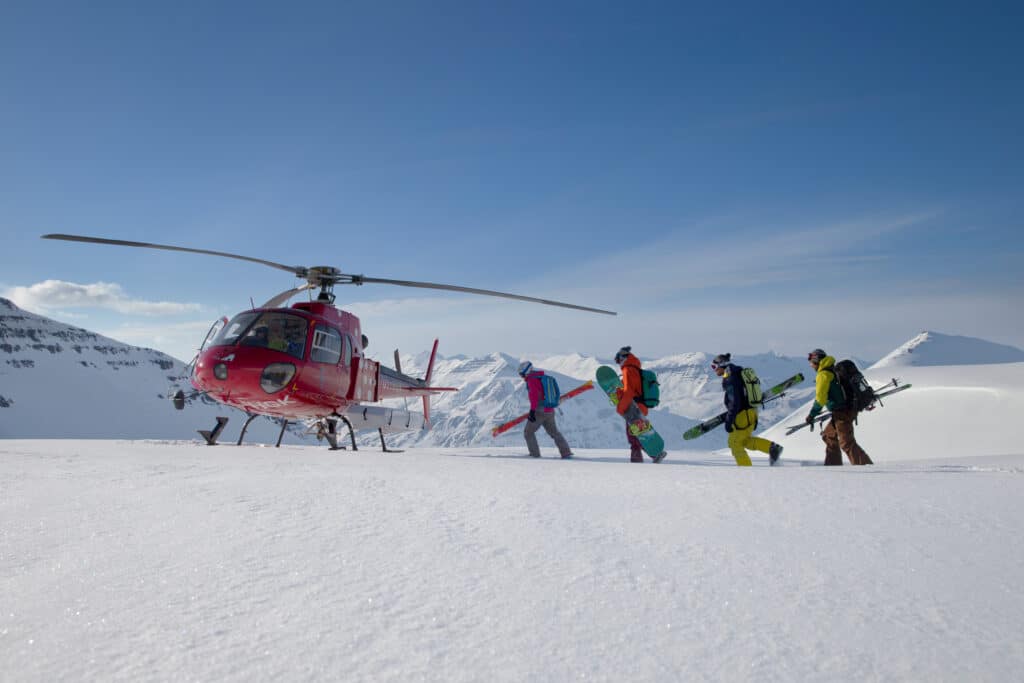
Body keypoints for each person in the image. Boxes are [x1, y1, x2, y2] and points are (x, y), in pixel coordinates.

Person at [711, 353, 784, 467]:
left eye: (714, 367)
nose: (714, 370)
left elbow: (734, 402)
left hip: (741, 415)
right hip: (752, 412)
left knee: (734, 443)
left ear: (722, 365)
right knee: (744, 440)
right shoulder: (739, 373)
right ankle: (772, 448)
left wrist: (729, 420)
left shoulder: (731, 378)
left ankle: (746, 472)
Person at [805, 348, 873, 466]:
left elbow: (820, 399)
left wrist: (812, 415)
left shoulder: (823, 375)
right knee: (829, 436)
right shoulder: (831, 369)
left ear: (816, 361)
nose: (810, 365)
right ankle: (832, 467)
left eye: (811, 362)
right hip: (845, 409)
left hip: (842, 412)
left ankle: (865, 467)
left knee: (846, 443)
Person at [518, 361, 573, 459]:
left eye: (521, 373)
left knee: (528, 432)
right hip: (550, 410)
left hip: (539, 411)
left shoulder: (531, 380)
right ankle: (566, 453)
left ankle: (534, 454)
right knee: (555, 433)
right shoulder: (542, 377)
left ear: (527, 371)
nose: (521, 376)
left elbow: (534, 397)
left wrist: (532, 411)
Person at [613, 346, 656, 463]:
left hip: (633, 407)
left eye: (617, 360)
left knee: (633, 435)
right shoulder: (635, 369)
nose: (618, 363)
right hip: (640, 405)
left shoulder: (628, 370)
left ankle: (637, 462)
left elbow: (629, 392)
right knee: (639, 433)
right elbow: (632, 389)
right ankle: (655, 454)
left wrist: (620, 407)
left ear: (622, 358)